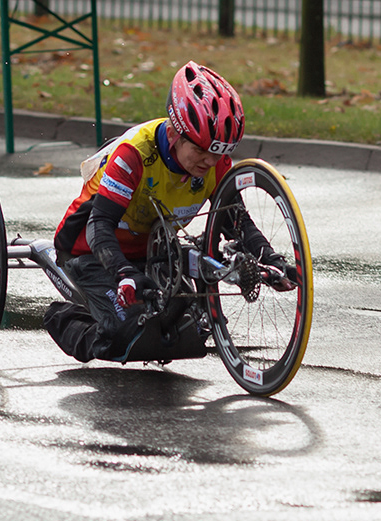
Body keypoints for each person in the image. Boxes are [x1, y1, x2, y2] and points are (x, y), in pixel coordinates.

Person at [44, 60, 293, 363]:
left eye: (218, 152)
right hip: (91, 250)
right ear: (176, 133)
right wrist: (123, 273)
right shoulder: (134, 155)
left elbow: (236, 220)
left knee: (192, 333)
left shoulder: (215, 164)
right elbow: (99, 225)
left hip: (153, 254)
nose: (209, 162)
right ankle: (65, 317)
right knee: (130, 338)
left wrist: (271, 260)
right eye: (200, 149)